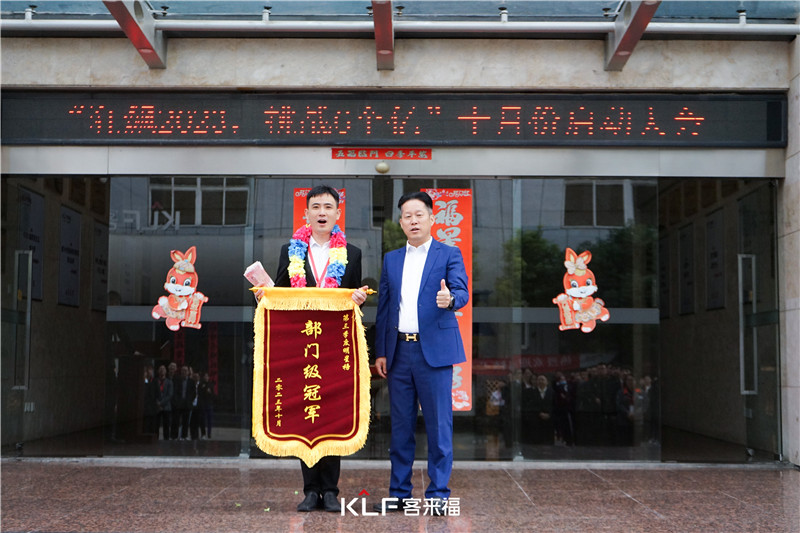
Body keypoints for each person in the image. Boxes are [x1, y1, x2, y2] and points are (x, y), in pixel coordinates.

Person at [273, 184, 368, 513]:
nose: (322, 212)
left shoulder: (352, 253)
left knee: (332, 414)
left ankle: (330, 490)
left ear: (338, 213)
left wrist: (359, 299)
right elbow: (280, 294)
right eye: (316, 207)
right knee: (307, 414)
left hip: (334, 346)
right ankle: (310, 490)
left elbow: (353, 294)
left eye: (328, 207)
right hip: (302, 344)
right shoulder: (290, 251)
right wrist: (265, 295)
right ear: (307, 213)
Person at [374, 191, 469, 514]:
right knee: (400, 427)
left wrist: (450, 300)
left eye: (419, 215)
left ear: (431, 218)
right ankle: (399, 493)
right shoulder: (391, 259)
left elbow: (462, 291)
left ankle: (438, 494)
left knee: (439, 426)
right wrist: (382, 351)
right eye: (407, 216)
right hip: (399, 352)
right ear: (401, 223)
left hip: (435, 354)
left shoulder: (449, 253)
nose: (413, 221)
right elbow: (385, 307)